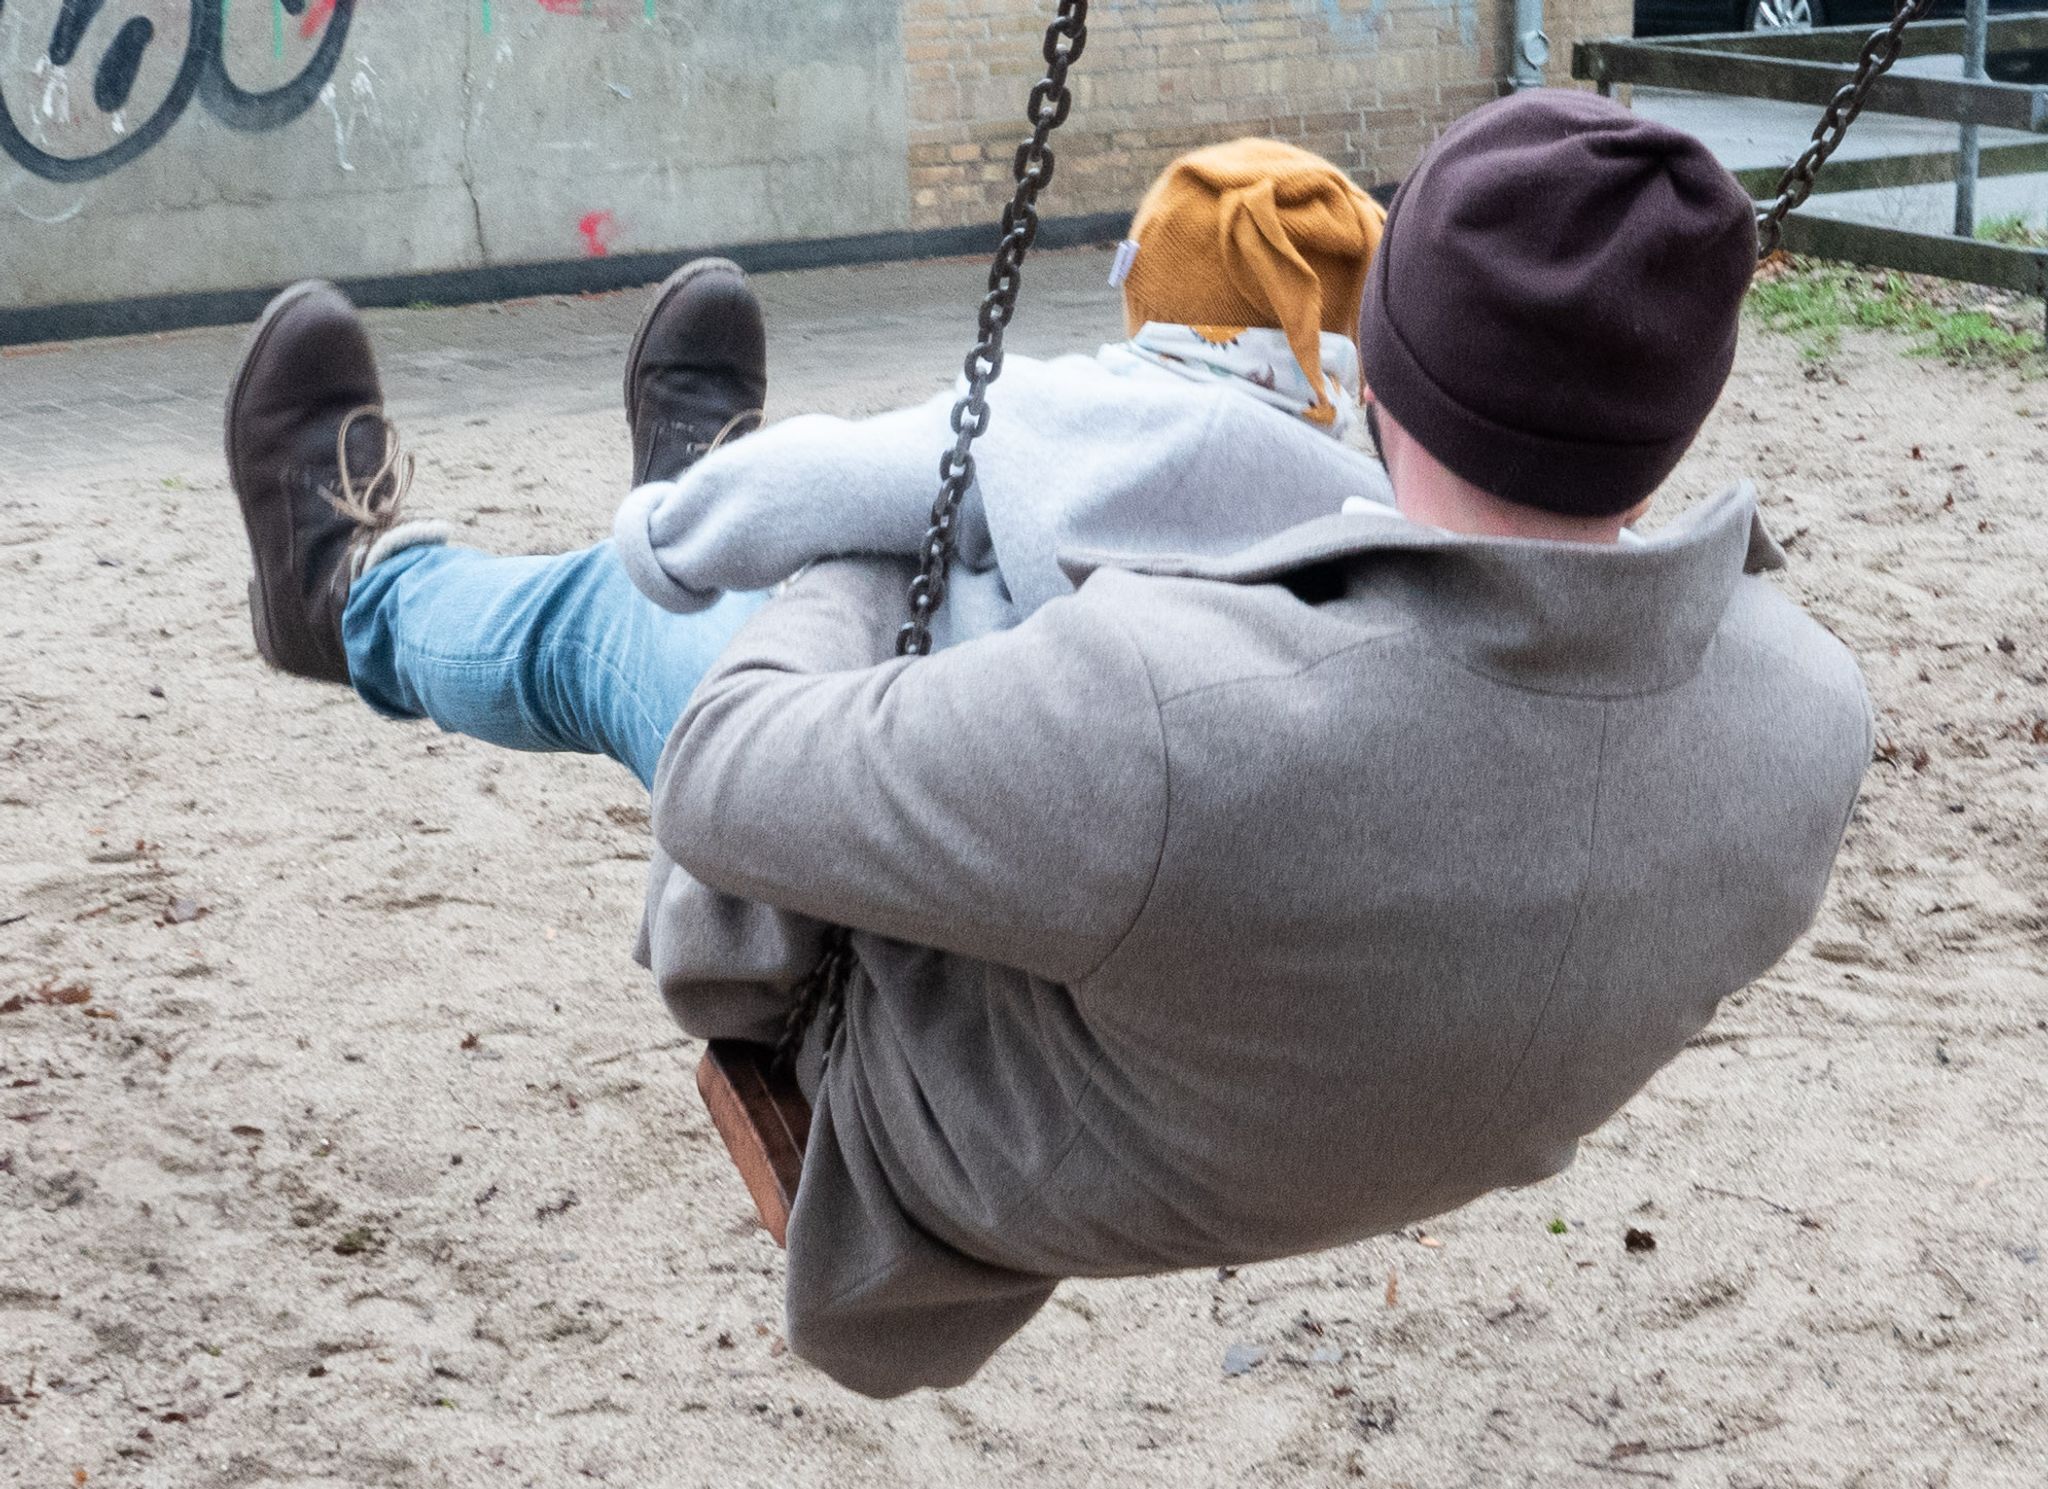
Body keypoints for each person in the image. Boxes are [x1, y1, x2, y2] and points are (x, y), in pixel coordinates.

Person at [220, 91, 1872, 1400]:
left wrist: (862, 539)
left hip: (943, 1105)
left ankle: (352, 591)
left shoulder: (1172, 712)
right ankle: (709, 483)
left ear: (1385, 373)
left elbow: (727, 774)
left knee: (616, 634)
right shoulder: (1809, 710)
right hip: (1319, 1083)